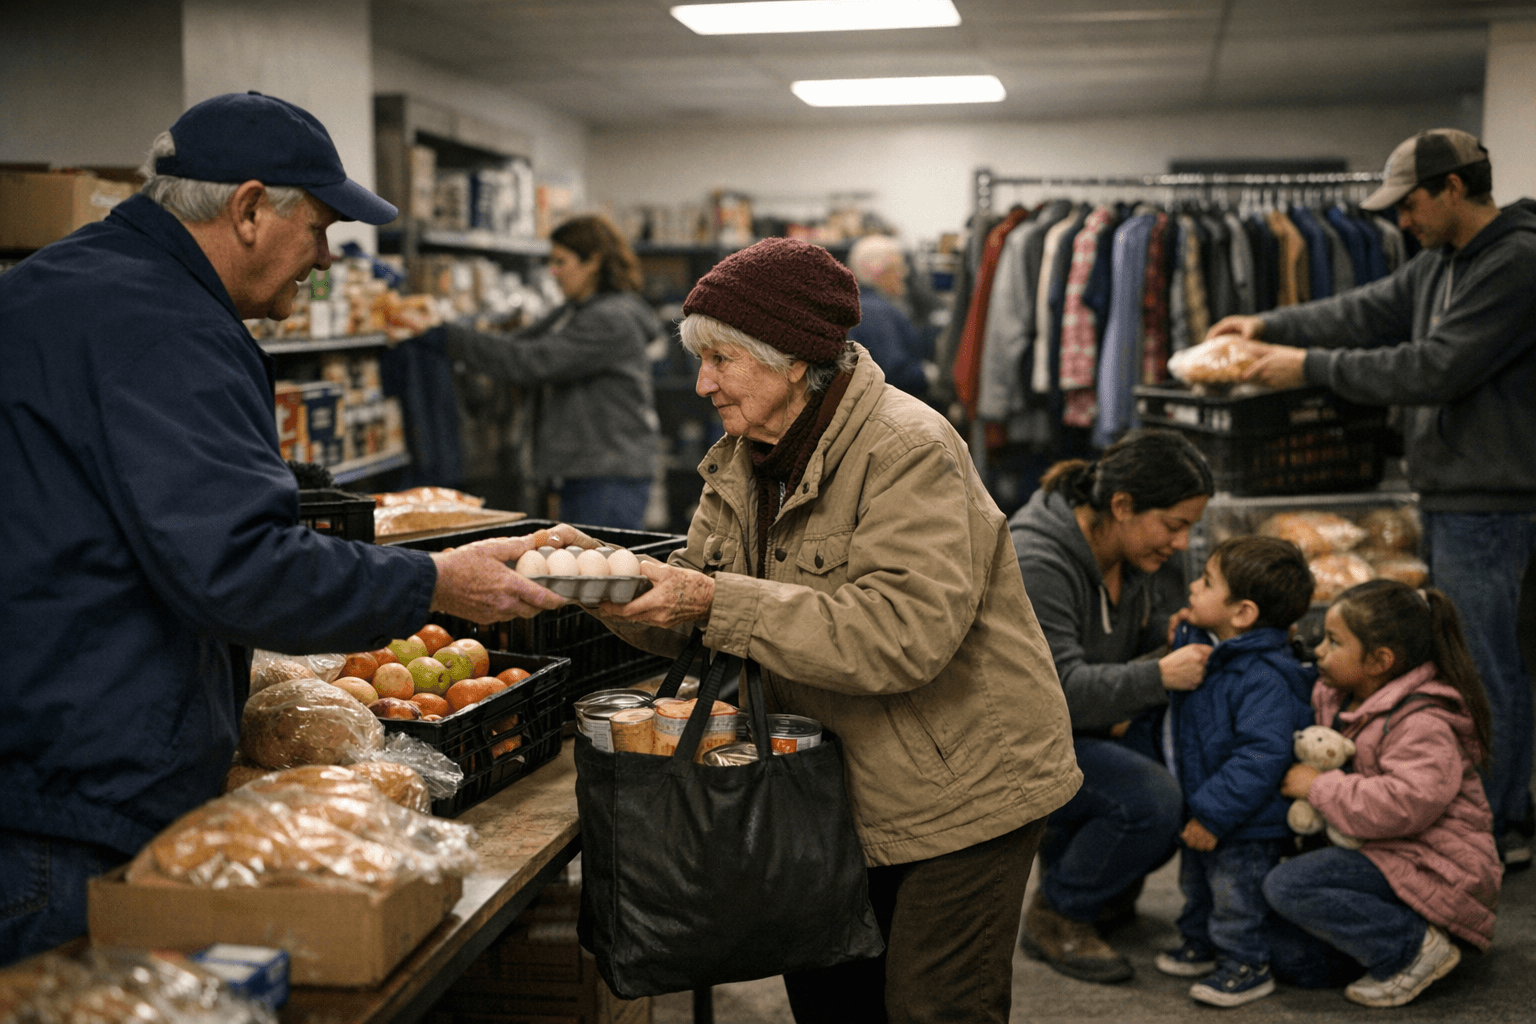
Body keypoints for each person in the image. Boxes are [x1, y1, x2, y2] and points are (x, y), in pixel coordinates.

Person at [0, 91, 565, 967]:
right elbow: (236, 569)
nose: (329, 261)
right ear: (250, 208)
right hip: (66, 794)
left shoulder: (67, 285)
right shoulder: (166, 327)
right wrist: (437, 582)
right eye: (323, 228)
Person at [594, 237, 1081, 1024]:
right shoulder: (743, 459)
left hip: (962, 789)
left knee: (933, 1008)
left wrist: (710, 600)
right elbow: (711, 622)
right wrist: (607, 587)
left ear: (791, 358)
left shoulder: (908, 449)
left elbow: (899, 635)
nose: (700, 383)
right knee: (831, 1000)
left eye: (720, 359)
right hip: (827, 786)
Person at [1207, 128, 1536, 868]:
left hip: (1495, 501)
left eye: (1411, 203)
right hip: (1462, 494)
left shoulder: (1516, 260)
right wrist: (1268, 326)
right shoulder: (1442, 262)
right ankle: (1501, 807)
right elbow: (1365, 309)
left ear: (1452, 188)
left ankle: (1497, 825)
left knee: (1487, 667)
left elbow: (1437, 367)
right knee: (1489, 660)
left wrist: (1306, 366)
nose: (1401, 221)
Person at [1006, 429, 1216, 983]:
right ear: (1121, 505)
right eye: (1173, 524)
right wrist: (1159, 672)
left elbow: (1144, 652)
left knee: (1201, 773)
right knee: (1152, 799)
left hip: (1086, 729)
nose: (1181, 541)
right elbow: (1060, 690)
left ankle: (1093, 880)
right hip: (1014, 740)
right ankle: (1058, 910)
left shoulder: (1145, 555)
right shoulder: (1038, 556)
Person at [1264, 580, 1501, 1008]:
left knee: (1288, 885)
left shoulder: (1422, 721)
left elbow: (1404, 805)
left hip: (1435, 862)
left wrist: (1318, 786)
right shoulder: (1341, 693)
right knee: (1288, 956)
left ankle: (1411, 946)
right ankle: (1402, 935)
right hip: (1383, 851)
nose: (1319, 651)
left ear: (1379, 661)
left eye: (1333, 642)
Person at [1152, 537, 1317, 1007]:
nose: (1192, 586)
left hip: (1245, 822)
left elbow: (1260, 757)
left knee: (1235, 896)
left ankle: (1246, 964)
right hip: (1209, 804)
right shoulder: (1224, 654)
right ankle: (1201, 943)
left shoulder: (1263, 677)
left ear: (1242, 613)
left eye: (1206, 582)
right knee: (1197, 884)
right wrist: (1185, 632)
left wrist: (1212, 814)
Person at [442, 214, 662, 529]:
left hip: (607, 478)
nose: (553, 272)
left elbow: (531, 361)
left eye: (561, 262)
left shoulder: (611, 318)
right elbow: (516, 345)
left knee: (599, 570)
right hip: (583, 473)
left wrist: (447, 337)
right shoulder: (573, 310)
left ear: (593, 262)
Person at [845, 234, 933, 399]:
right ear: (877, 270)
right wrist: (930, 374)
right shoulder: (875, 311)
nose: (904, 273)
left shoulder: (861, 304)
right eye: (898, 267)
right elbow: (895, 372)